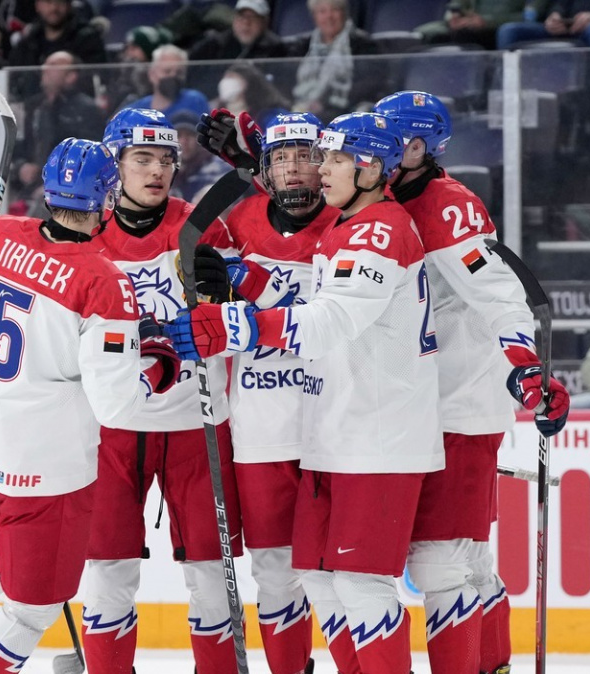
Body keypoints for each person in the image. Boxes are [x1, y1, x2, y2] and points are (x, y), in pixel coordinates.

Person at [168, 112, 441, 674]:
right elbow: (301, 302)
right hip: (324, 429)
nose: (314, 170)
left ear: (365, 167)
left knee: (361, 584)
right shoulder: (349, 224)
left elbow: (326, 321)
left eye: (328, 158)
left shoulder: (375, 229)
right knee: (313, 574)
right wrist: (238, 277)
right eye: (290, 157)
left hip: (371, 430)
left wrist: (233, 325)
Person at [0, 136, 179, 674]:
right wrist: (155, 368)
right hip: (44, 478)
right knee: (29, 612)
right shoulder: (106, 284)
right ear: (106, 201)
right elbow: (117, 407)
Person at [375, 90, 568, 674]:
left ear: (418, 147)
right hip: (413, 407)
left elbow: (501, 296)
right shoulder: (380, 196)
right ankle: (493, 665)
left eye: (394, 140)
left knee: (444, 562)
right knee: (467, 561)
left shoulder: (447, 205)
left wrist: (527, 368)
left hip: (457, 405)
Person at [78, 108, 241, 674]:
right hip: (111, 429)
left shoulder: (202, 224)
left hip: (197, 426)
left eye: (166, 160)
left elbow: (242, 318)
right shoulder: (85, 230)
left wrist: (229, 296)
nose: (157, 171)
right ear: (114, 163)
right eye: (141, 159)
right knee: (107, 572)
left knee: (210, 574)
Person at [195, 108, 339, 674]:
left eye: (307, 155)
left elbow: (323, 317)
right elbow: (186, 265)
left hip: (336, 425)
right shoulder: (239, 222)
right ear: (267, 169)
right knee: (276, 569)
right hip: (261, 430)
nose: (297, 169)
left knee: (338, 574)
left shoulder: (354, 221)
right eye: (281, 158)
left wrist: (247, 282)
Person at [287, 0, 383, 123]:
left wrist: (324, 103)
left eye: (335, 10)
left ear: (344, 13)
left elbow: (371, 84)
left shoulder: (363, 44)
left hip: (347, 109)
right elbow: (287, 81)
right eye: (322, 11)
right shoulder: (302, 46)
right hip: (303, 107)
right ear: (314, 16)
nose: (329, 16)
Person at [20, 51, 105, 169]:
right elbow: (23, 145)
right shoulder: (34, 106)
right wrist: (22, 166)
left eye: (53, 65)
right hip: (34, 180)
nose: (44, 68)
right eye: (45, 64)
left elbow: (91, 151)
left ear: (70, 76)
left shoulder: (86, 109)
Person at [123, 46, 211, 120]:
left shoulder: (195, 101)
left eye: (179, 72)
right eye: (167, 71)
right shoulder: (136, 110)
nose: (173, 76)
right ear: (152, 74)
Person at [496, 0, 590, 49]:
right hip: (567, 25)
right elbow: (560, 4)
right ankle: (506, 95)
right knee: (508, 31)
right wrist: (555, 15)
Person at [188, 0, 286, 64]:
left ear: (265, 22)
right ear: (234, 19)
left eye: (253, 17)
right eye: (241, 16)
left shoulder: (277, 48)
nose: (246, 23)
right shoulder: (215, 44)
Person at [415, 0, 527, 50]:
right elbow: (459, 4)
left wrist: (486, 21)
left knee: (464, 34)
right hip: (468, 22)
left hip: (498, 26)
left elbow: (531, 16)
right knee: (424, 34)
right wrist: (456, 15)